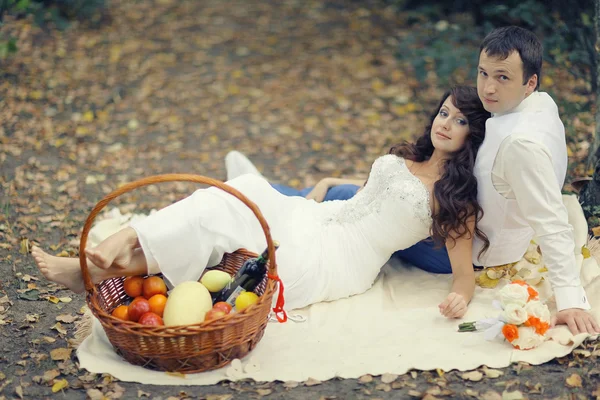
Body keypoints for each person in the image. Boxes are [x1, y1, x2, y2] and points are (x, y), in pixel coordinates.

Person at [229, 26, 600, 335]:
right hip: (451, 212)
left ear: (529, 82)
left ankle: (269, 192)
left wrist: (569, 299)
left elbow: (551, 222)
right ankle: (269, 191)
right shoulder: (532, 105)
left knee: (363, 206)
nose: (488, 88)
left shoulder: (520, 145)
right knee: (352, 198)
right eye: (483, 73)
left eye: (503, 78)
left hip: (457, 245)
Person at [32, 86, 490, 319]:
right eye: (444, 112)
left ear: (474, 136)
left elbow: (464, 277)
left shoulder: (454, 201)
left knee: (255, 255)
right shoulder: (410, 159)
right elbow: (378, 189)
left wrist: (458, 301)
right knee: (238, 196)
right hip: (319, 217)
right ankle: (126, 241)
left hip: (340, 259)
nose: (446, 122)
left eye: (461, 120)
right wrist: (331, 181)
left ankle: (96, 270)